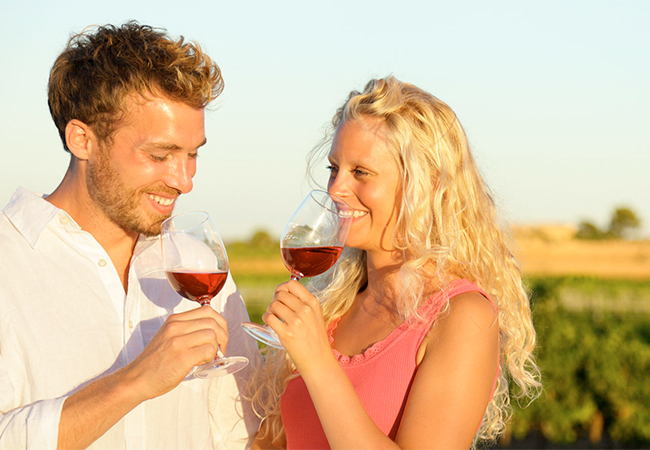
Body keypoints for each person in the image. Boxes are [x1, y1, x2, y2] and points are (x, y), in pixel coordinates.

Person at [0, 22, 260, 450]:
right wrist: (137, 380)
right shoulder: (9, 261)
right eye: (160, 155)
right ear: (82, 139)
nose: (184, 180)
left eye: (192, 154)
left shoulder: (196, 261)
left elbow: (239, 433)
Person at [251, 76, 541, 449]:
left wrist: (319, 363)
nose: (336, 189)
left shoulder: (462, 317)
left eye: (360, 172)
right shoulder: (335, 307)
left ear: (424, 185)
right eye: (334, 169)